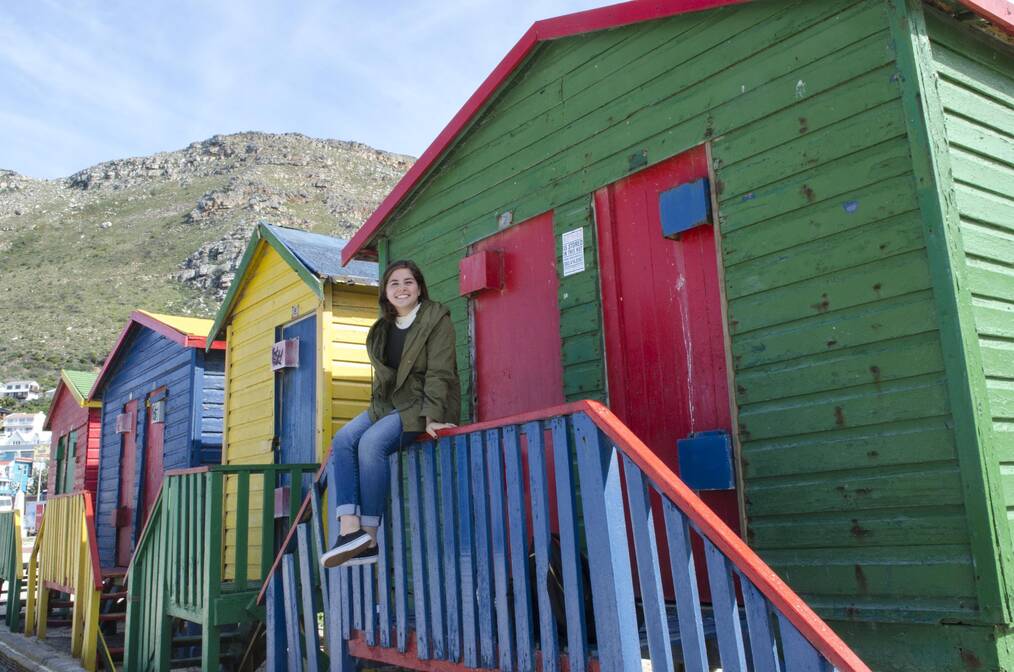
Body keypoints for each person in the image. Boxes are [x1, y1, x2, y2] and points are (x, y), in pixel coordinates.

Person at [320, 259, 460, 568]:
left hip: (422, 403)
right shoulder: (382, 329)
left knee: (371, 443)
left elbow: (440, 372)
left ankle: (369, 537)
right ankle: (349, 529)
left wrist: (432, 415)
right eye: (394, 283)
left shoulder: (437, 319)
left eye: (408, 282)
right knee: (343, 439)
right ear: (386, 292)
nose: (402, 288)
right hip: (388, 404)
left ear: (419, 287)